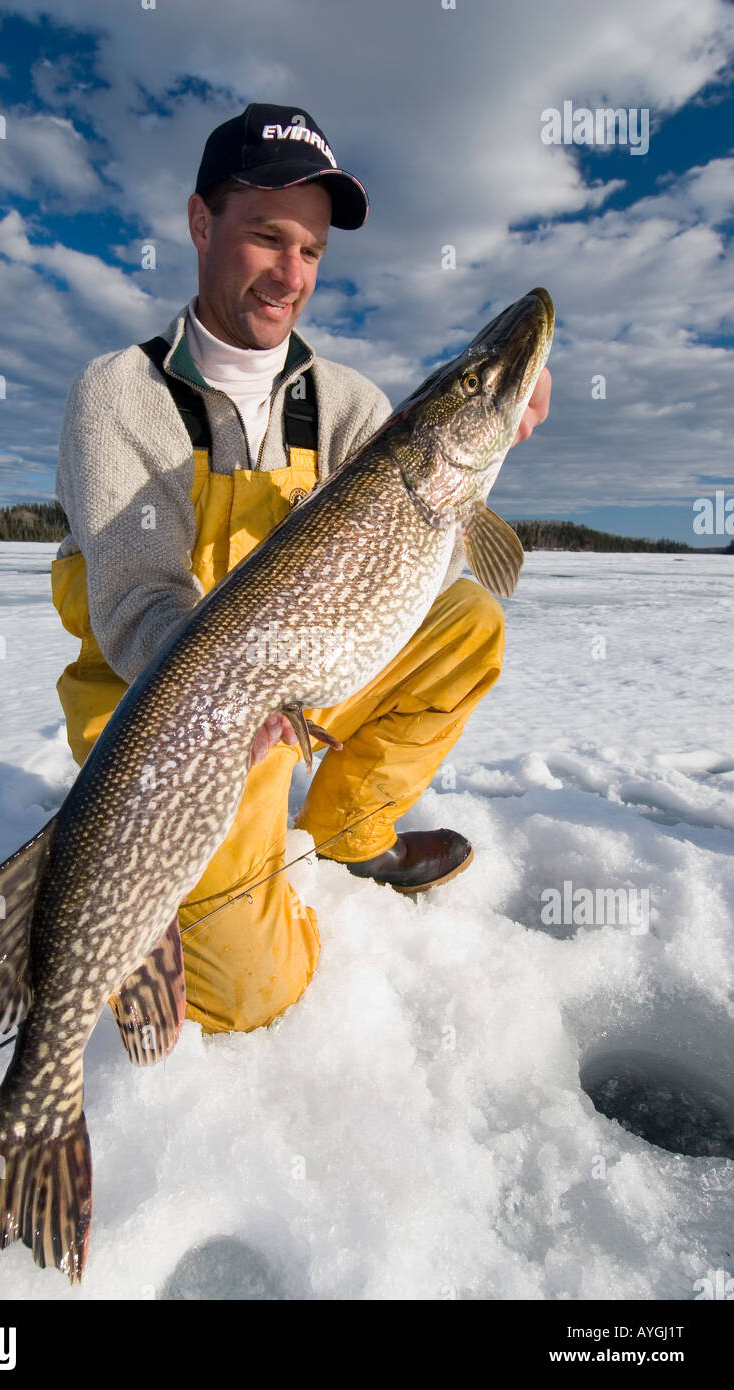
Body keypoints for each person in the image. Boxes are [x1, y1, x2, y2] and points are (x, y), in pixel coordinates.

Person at [51, 103, 551, 1036]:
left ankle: (347, 835)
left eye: (312, 252)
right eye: (266, 238)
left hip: (296, 681)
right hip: (164, 720)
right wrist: (229, 702)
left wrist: (494, 431)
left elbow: (408, 573)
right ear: (202, 224)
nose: (291, 275)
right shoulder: (118, 397)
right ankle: (186, 892)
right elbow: (137, 604)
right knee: (250, 995)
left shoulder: (351, 404)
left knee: (470, 622)